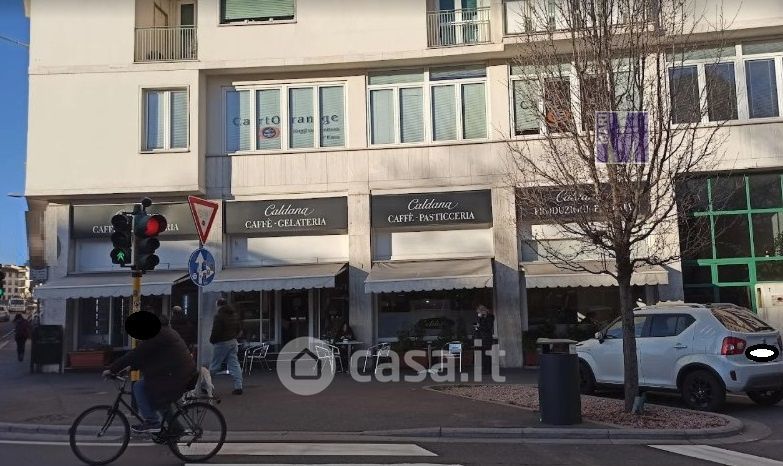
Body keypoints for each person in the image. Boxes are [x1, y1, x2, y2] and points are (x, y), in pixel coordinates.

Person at [104, 313, 197, 433]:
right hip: (180, 373)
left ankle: (152, 422)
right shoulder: (165, 331)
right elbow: (151, 356)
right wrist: (132, 367)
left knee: (139, 387)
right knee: (159, 400)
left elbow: (136, 354)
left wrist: (112, 369)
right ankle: (176, 429)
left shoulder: (157, 335)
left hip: (176, 376)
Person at [209, 298, 243, 395]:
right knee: (234, 365)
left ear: (218, 305)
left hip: (222, 343)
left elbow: (216, 331)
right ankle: (238, 386)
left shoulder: (219, 316)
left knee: (215, 365)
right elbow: (239, 329)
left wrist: (212, 340)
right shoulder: (234, 314)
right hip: (233, 342)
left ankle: (205, 385)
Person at [474, 305, 495, 374]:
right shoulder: (480, 318)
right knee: (481, 354)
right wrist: (478, 319)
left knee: (487, 354)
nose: (479, 313)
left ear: (483, 311)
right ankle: (484, 369)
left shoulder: (490, 317)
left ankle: (488, 369)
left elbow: (488, 327)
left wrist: (479, 326)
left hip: (486, 338)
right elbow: (476, 327)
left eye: (479, 312)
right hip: (479, 338)